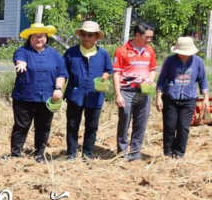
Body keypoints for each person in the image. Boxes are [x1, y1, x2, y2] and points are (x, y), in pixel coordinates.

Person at [10, 23, 67, 163]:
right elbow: (19, 59)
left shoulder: (55, 54)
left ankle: (39, 153)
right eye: (34, 36)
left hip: (47, 97)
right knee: (21, 126)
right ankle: (16, 153)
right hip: (25, 97)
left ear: (46, 37)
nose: (38, 39)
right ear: (29, 38)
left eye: (41, 36)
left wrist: (59, 89)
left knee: (43, 126)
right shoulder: (23, 51)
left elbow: (61, 73)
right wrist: (21, 63)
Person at [62, 21, 113, 160]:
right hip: (75, 94)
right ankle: (71, 153)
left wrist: (103, 78)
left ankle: (88, 153)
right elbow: (63, 72)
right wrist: (59, 90)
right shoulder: (71, 53)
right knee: (72, 125)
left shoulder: (103, 54)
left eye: (90, 35)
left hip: (94, 95)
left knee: (91, 126)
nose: (86, 37)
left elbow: (108, 70)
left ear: (96, 37)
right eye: (84, 34)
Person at [156, 37, 209, 159]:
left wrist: (206, 97)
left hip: (189, 99)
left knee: (183, 127)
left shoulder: (198, 62)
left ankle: (179, 153)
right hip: (170, 98)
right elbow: (162, 79)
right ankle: (168, 153)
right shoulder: (170, 61)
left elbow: (203, 80)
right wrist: (158, 97)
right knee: (169, 126)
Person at [113, 23, 157, 161]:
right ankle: (122, 152)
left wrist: (150, 79)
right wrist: (118, 94)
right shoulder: (122, 51)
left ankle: (136, 152)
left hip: (144, 91)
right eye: (147, 37)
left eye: (151, 37)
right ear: (138, 35)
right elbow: (116, 74)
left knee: (141, 122)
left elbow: (152, 69)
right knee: (124, 120)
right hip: (127, 90)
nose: (149, 40)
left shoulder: (149, 51)